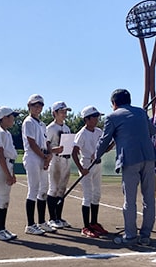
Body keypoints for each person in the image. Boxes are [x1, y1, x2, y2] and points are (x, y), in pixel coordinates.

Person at [95, 89, 156, 246]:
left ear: (114, 104)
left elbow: (105, 140)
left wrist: (96, 155)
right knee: (148, 199)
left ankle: (130, 236)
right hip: (149, 157)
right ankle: (145, 235)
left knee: (129, 200)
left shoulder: (112, 116)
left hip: (130, 159)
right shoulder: (141, 112)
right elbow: (153, 131)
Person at [72, 105, 110, 238]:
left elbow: (105, 148)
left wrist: (115, 141)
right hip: (87, 164)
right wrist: (81, 169)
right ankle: (86, 226)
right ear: (87, 119)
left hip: (97, 163)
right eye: (94, 117)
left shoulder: (99, 131)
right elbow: (74, 152)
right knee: (87, 196)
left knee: (97, 194)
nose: (97, 119)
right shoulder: (81, 134)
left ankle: (94, 223)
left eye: (97, 117)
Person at [22, 94, 56, 235]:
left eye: (40, 105)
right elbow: (32, 143)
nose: (38, 108)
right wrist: (44, 157)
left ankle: (42, 222)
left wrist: (49, 155)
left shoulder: (42, 124)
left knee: (43, 189)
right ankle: (30, 224)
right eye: (35, 105)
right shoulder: (28, 122)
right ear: (29, 106)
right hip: (33, 156)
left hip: (42, 156)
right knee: (33, 189)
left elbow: (46, 142)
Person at [0, 106, 20, 241]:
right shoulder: (0, 132)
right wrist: (8, 174)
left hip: (6, 165)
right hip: (0, 167)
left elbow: (9, 155)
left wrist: (11, 173)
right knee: (0, 200)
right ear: (5, 118)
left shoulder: (6, 133)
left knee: (5, 200)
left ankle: (2, 228)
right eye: (12, 116)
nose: (14, 119)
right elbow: (1, 154)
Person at [46, 101, 72, 229]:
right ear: (54, 113)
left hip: (65, 159)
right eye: (61, 111)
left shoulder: (66, 128)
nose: (64, 114)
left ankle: (59, 216)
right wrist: (55, 150)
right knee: (54, 188)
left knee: (62, 189)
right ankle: (52, 218)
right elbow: (46, 146)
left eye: (65, 111)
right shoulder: (50, 128)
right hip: (55, 160)